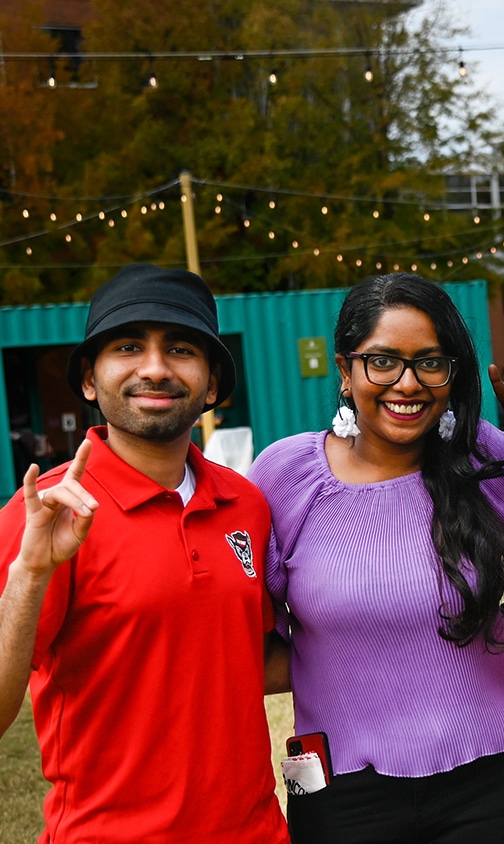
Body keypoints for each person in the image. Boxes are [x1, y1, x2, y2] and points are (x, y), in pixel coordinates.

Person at [248, 273, 504, 843]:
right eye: (383, 362)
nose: (408, 383)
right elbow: (244, 626)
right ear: (346, 371)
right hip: (341, 792)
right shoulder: (287, 476)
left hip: (494, 780)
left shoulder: (477, 458)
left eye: (430, 362)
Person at [0, 264, 289, 842]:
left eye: (181, 349)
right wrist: (30, 574)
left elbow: (242, 661)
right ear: (89, 379)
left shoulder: (247, 504)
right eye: (129, 346)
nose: (155, 368)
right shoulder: (45, 512)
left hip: (256, 832)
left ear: (210, 386)